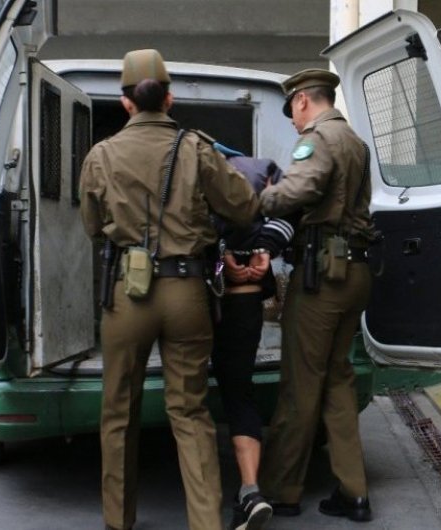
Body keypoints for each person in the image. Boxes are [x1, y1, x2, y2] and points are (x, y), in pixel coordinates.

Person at [78, 49, 260, 530]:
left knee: (119, 411)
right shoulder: (196, 147)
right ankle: (206, 523)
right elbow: (244, 207)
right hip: (187, 292)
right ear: (169, 97)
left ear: (126, 102)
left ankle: (118, 520)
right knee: (190, 411)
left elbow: (92, 226)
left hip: (127, 293)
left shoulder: (101, 155)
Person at [257, 68, 377, 522]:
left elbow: (302, 189)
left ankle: (281, 490)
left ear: (303, 100)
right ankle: (354, 491)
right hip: (355, 271)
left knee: (301, 384)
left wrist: (265, 196)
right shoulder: (356, 142)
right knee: (337, 379)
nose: (292, 119)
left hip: (323, 277)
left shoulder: (319, 138)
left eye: (291, 109)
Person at [209, 152, 292, 530]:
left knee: (188, 400)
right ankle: (250, 490)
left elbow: (192, 229)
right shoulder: (267, 178)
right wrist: (264, 250)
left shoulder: (202, 178)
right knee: (239, 393)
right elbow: (289, 215)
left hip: (203, 300)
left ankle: (202, 492)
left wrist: (222, 255)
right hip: (246, 301)